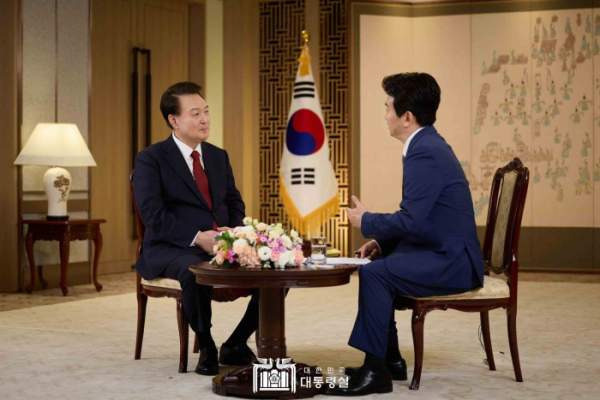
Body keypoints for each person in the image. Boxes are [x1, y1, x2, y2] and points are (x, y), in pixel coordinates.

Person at [328, 73, 484, 396]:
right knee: (377, 264)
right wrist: (380, 241)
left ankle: (376, 373)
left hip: (453, 262)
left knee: (375, 275)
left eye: (388, 107)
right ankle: (391, 360)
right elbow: (421, 218)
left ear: (407, 117)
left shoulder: (424, 151)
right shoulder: (427, 144)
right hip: (445, 250)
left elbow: (411, 220)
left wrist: (366, 220)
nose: (385, 114)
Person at [133, 81, 258, 376]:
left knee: (275, 269)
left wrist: (233, 233)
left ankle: (236, 342)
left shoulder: (217, 156)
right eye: (195, 113)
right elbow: (153, 215)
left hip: (221, 242)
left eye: (206, 111)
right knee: (194, 270)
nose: (204, 119)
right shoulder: (151, 159)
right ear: (174, 120)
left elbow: (234, 201)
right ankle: (207, 345)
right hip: (171, 246)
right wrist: (197, 237)